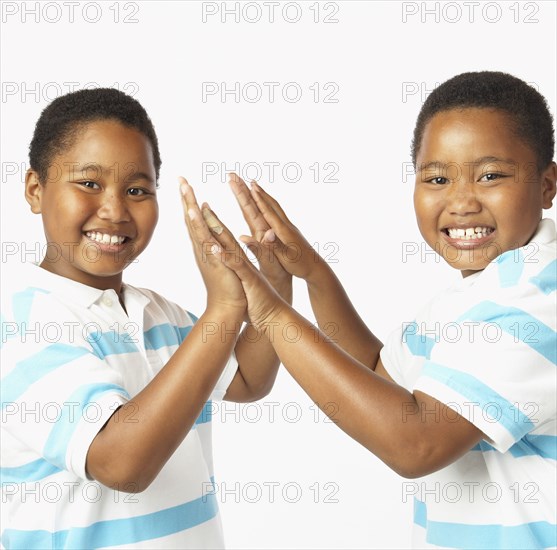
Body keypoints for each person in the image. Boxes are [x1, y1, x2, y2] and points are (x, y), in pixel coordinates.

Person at [196, 72, 557, 549]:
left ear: (548, 185)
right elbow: (378, 374)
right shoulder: (479, 292)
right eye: (437, 178)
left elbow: (416, 444)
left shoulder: (537, 296)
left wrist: (270, 313)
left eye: (491, 176)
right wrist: (313, 275)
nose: (462, 201)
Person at [0, 88, 291, 549]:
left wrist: (273, 283)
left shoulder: (158, 312)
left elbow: (249, 380)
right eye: (89, 184)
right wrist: (223, 308)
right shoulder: (18, 322)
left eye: (137, 190)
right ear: (35, 190)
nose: (115, 210)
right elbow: (123, 464)